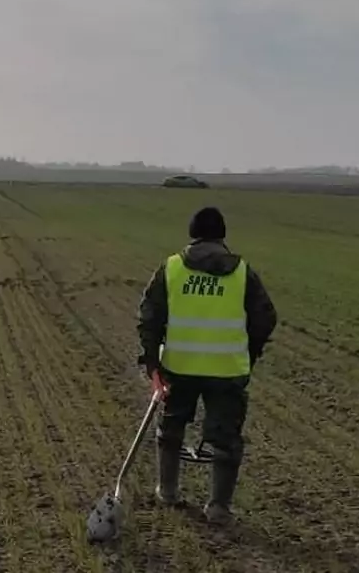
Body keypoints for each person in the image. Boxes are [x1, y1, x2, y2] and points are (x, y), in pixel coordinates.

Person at [135, 206, 278, 525]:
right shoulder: (242, 271)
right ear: (222, 236)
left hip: (178, 368)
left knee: (171, 428)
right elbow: (266, 317)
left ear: (192, 234)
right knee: (226, 439)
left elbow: (149, 317)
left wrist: (152, 363)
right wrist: (247, 352)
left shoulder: (171, 268)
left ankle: (167, 491)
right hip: (227, 371)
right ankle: (218, 507)